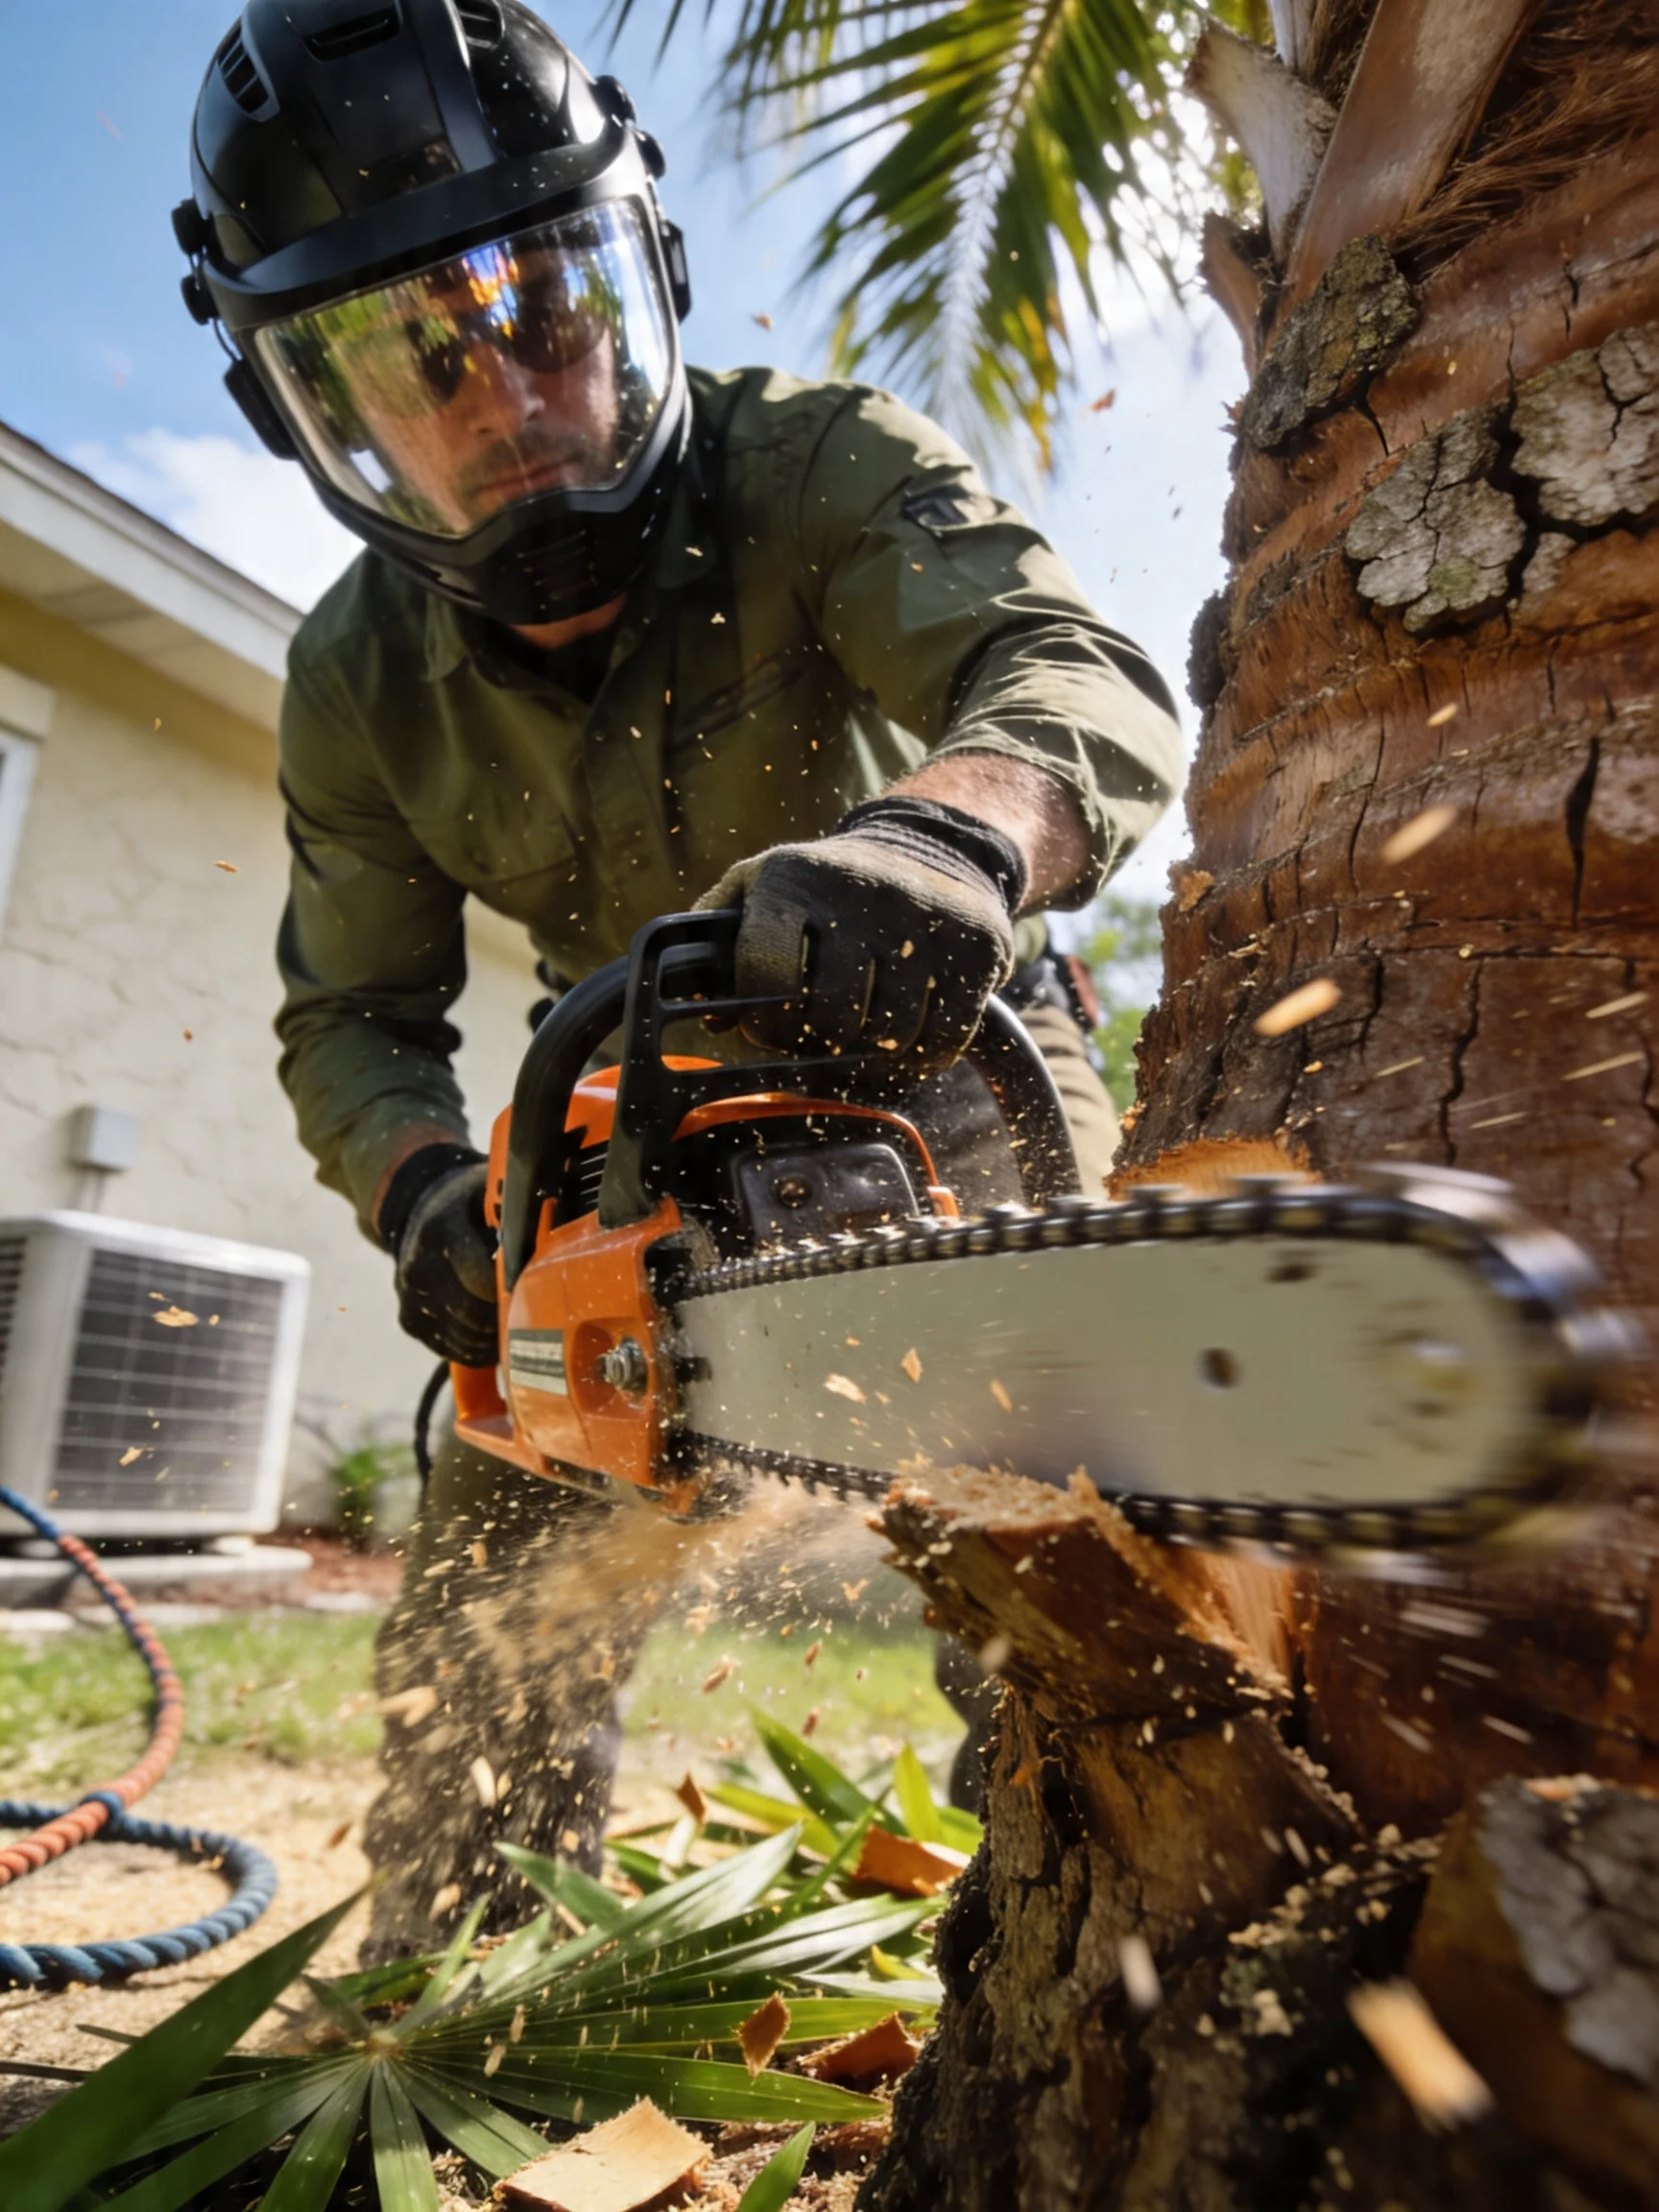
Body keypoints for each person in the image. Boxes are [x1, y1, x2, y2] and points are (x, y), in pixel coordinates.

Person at [176, 0, 1182, 1954]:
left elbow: (1065, 669)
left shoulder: (813, 463)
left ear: (637, 275)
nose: (509, 397)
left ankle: (1094, 1946)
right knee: (492, 1585)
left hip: (938, 1037)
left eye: (547, 315)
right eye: (421, 361)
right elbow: (353, 1018)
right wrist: (429, 1196)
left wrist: (955, 837)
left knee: (1073, 1541)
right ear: (313, 414)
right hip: (617, 1110)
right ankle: (464, 1972)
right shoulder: (353, 679)